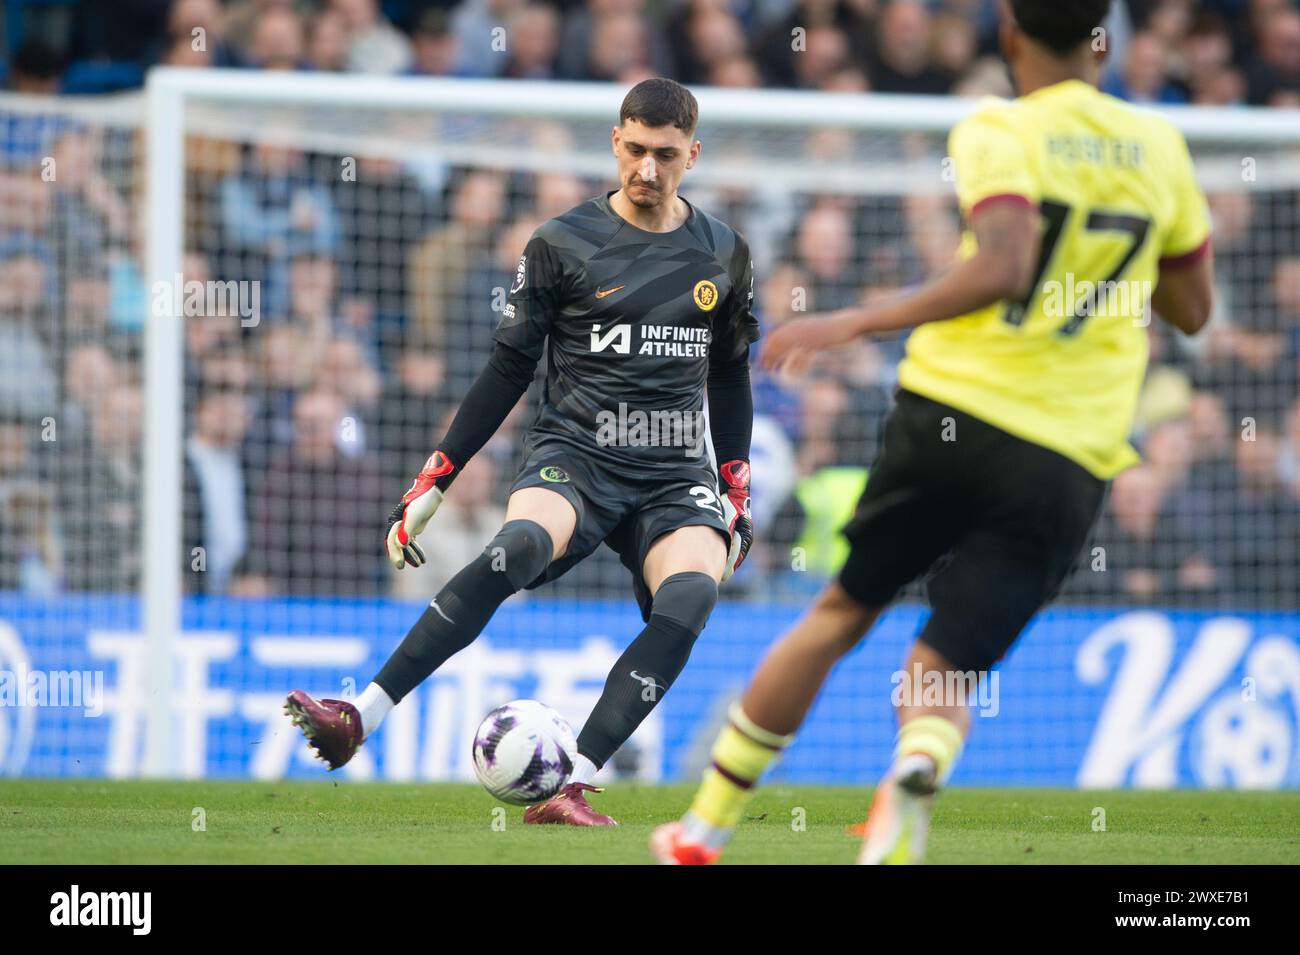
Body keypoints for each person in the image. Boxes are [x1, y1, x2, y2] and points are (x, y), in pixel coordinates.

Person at [653, 0, 1214, 864]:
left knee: (841, 613)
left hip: (953, 411)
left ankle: (704, 827)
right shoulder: (1162, 149)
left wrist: (854, 322)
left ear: (1011, 34)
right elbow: (1192, 307)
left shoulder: (999, 129)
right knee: (944, 660)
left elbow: (1004, 262)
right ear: (1105, 39)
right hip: (1071, 448)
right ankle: (918, 761)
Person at [286, 78, 758, 826]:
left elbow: (730, 374)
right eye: (634, 149)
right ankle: (360, 716)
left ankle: (573, 776)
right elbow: (509, 366)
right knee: (518, 546)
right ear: (615, 141)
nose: (646, 169)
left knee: (693, 594)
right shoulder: (560, 244)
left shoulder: (723, 255)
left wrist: (736, 485)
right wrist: (435, 478)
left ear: (691, 155)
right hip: (577, 453)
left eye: (665, 155)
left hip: (675, 471)